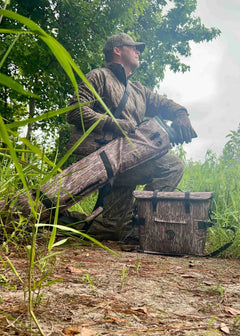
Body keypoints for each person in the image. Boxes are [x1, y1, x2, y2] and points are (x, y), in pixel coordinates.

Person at [66, 33, 197, 241]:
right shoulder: (99, 76)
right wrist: (115, 124)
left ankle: (59, 222)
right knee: (171, 166)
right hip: (99, 156)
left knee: (111, 229)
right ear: (117, 50)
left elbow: (163, 104)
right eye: (134, 47)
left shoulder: (138, 90)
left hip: (127, 157)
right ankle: (141, 224)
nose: (138, 52)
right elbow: (75, 111)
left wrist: (181, 113)